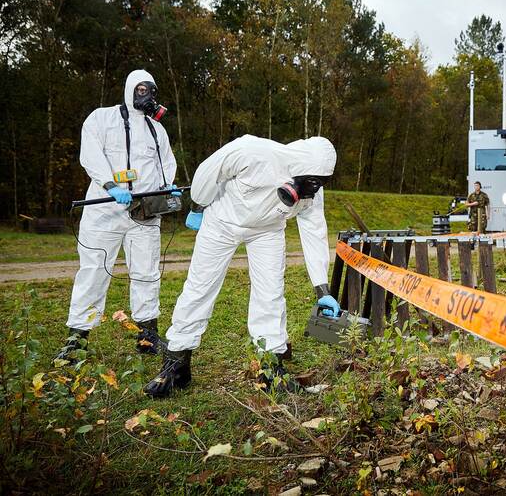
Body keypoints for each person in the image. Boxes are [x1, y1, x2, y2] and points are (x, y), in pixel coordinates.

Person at [144, 135, 338, 398]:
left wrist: (322, 288)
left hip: (267, 231)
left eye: (319, 184)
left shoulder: (313, 190)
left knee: (270, 293)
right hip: (222, 222)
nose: (313, 191)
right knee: (200, 287)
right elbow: (208, 172)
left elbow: (314, 231)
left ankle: (270, 369)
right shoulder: (251, 151)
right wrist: (199, 204)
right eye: (311, 183)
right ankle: (176, 362)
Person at [55, 70, 178, 364]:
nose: (146, 94)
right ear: (129, 89)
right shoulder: (101, 119)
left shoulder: (156, 130)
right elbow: (91, 154)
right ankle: (77, 339)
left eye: (151, 89)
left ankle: (148, 334)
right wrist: (110, 185)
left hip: (143, 212)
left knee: (146, 272)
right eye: (140, 89)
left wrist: (167, 187)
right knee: (94, 270)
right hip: (104, 211)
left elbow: (167, 162)